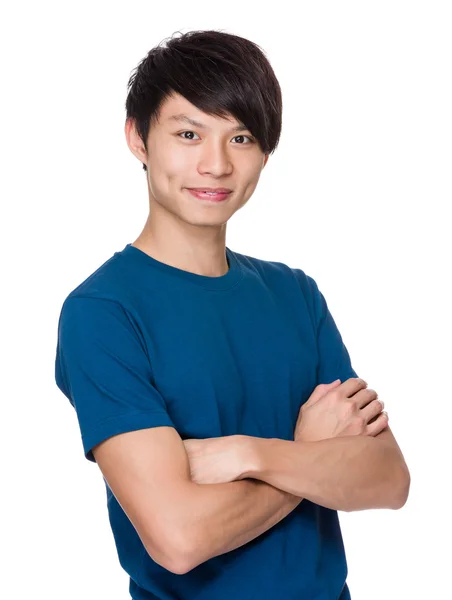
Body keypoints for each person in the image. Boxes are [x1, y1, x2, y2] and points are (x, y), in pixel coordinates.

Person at [54, 29, 410, 599]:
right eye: (189, 133)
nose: (215, 164)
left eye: (240, 137)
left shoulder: (295, 294)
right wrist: (310, 459)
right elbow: (179, 538)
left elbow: (389, 480)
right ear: (138, 139)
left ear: (265, 151)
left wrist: (252, 454)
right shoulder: (102, 313)